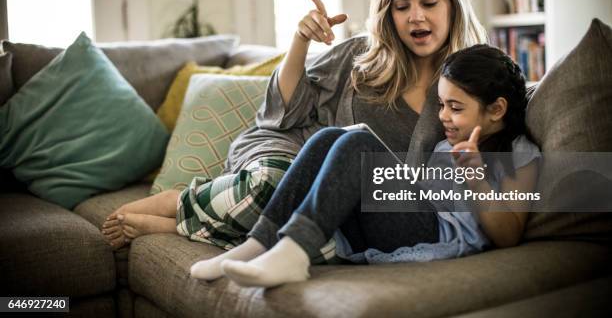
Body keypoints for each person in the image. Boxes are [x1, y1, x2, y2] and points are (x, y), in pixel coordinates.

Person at [101, 0, 486, 273]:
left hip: (378, 214)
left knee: (326, 245)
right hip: (302, 161)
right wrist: (301, 40)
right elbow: (282, 112)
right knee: (278, 183)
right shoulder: (361, 57)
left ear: (453, 4)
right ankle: (186, 205)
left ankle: (176, 223)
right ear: (389, 14)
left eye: (429, 2)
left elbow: (500, 150)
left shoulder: (472, 83)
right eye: (402, 7)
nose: (415, 16)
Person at [211, 45, 540, 288]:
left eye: (455, 107)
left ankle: (293, 253)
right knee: (331, 138)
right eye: (441, 105)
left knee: (357, 146)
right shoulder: (446, 145)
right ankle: (258, 244)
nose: (443, 117)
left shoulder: (519, 154)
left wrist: (476, 177)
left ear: (497, 109)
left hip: (438, 239)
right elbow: (419, 196)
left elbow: (509, 235)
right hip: (402, 222)